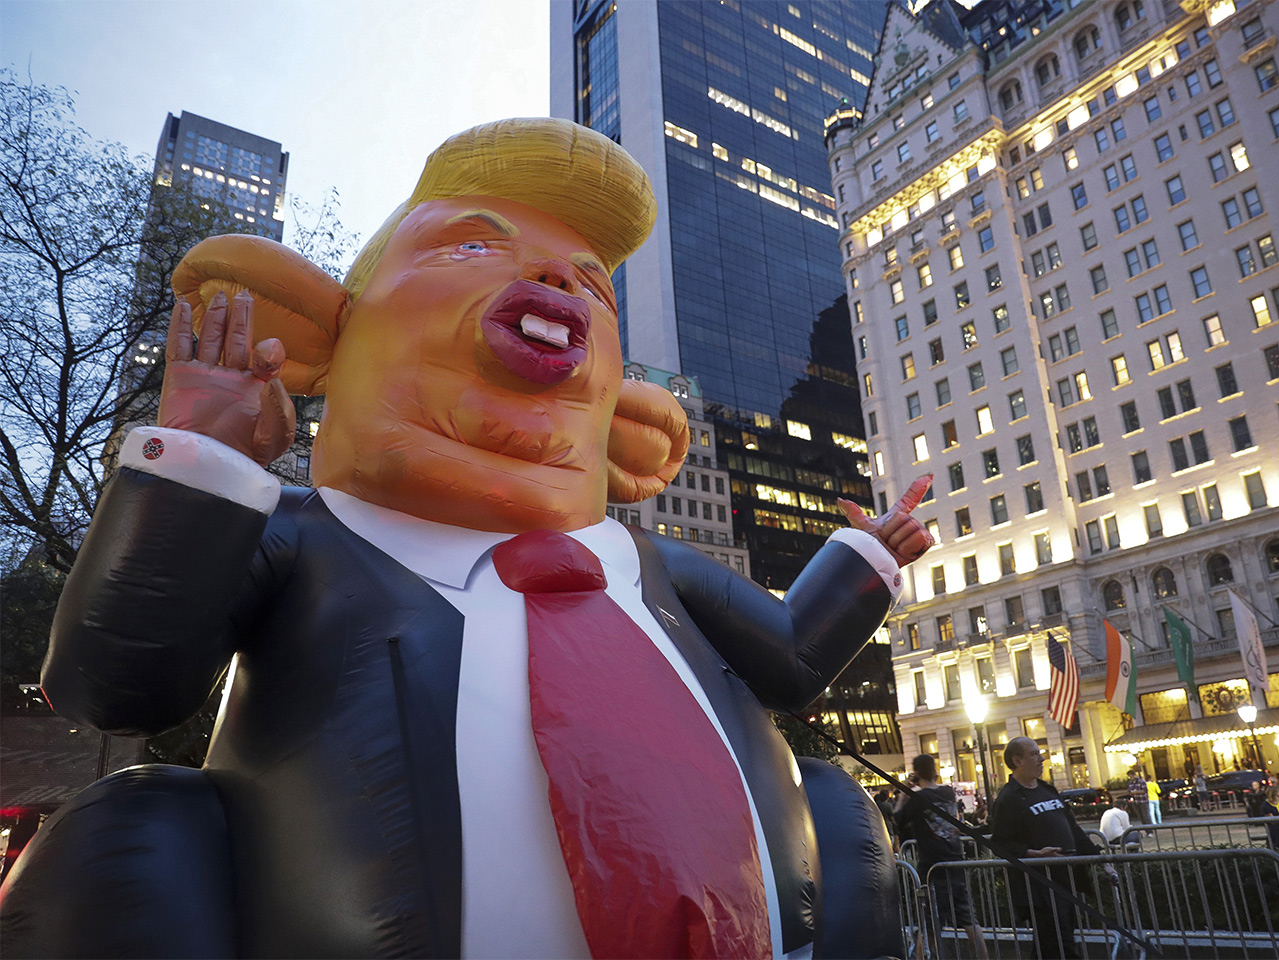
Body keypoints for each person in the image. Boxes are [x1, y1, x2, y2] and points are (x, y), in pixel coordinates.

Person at [0, 119, 933, 959]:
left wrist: (870, 559)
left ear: (633, 424)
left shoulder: (646, 566)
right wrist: (200, 464)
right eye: (476, 242)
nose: (560, 279)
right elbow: (118, 685)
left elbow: (793, 661)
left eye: (593, 284)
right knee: (123, 842)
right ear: (317, 332)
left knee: (840, 816)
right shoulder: (303, 540)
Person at [990, 737, 1114, 960]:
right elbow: (1000, 843)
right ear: (1017, 760)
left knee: (1052, 944)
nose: (1042, 758)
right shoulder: (1008, 799)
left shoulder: (1047, 790)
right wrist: (1031, 854)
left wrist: (1101, 861)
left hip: (1067, 879)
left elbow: (1074, 830)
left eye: (1040, 753)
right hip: (1040, 885)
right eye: (1034, 754)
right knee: (1062, 944)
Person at [895, 755, 989, 959]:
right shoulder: (948, 792)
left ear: (916, 773)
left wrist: (904, 792)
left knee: (928, 924)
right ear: (935, 770)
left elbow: (898, 819)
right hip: (955, 861)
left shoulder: (919, 799)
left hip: (932, 868)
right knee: (969, 919)